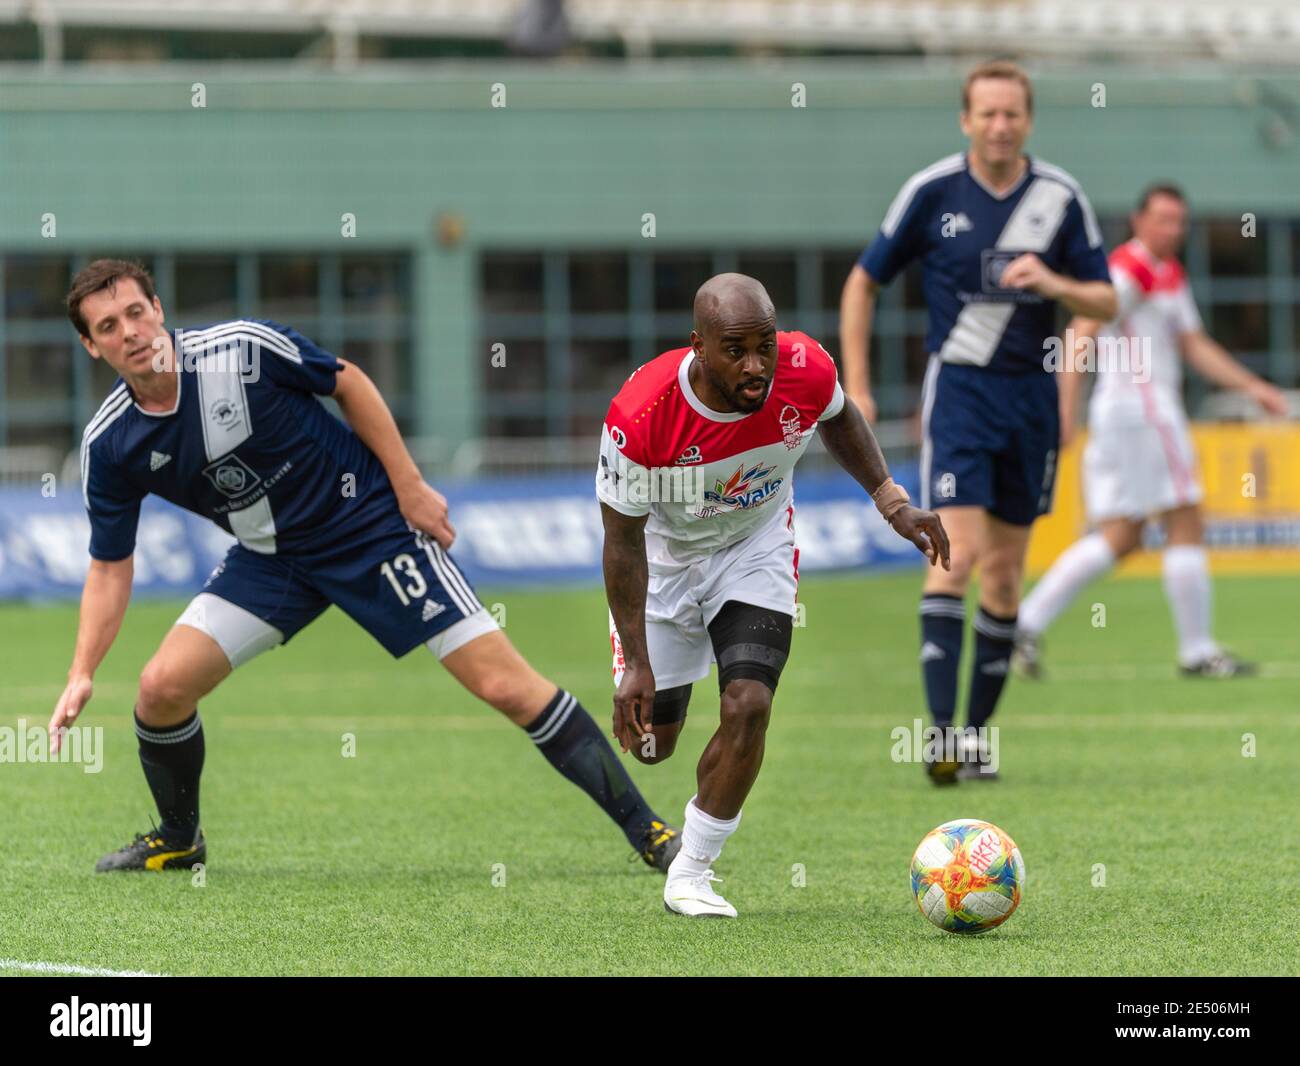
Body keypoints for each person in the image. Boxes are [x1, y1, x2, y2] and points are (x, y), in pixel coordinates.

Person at [50, 259, 682, 873]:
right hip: (271, 561)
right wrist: (82, 671)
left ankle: (648, 830)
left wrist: (407, 485)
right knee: (160, 691)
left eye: (136, 312)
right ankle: (180, 841)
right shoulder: (111, 443)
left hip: (370, 530)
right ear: (91, 346)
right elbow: (110, 565)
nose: (129, 332)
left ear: (158, 310)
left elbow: (346, 380)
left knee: (505, 686)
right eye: (108, 326)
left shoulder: (241, 350)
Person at [598, 273, 949, 917]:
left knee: (749, 702)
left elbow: (839, 418)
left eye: (766, 344)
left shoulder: (804, 366)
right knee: (652, 747)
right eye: (736, 350)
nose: (757, 365)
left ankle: (692, 871)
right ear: (697, 345)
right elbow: (621, 544)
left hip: (753, 549)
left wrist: (890, 498)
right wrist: (639, 662)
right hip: (664, 563)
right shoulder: (639, 417)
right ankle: (669, 702)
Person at [839, 60, 1117, 783]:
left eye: (1012, 114)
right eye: (986, 113)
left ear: (1028, 120)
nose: (999, 125)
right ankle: (938, 738)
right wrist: (859, 388)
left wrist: (1053, 282)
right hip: (959, 393)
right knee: (955, 558)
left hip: (1030, 401)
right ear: (966, 120)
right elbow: (863, 281)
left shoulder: (1060, 198)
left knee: (1004, 577)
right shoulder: (932, 192)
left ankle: (973, 739)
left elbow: (1106, 303)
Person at [1015, 184, 1289, 677]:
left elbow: (1193, 344)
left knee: (1122, 536)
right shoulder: (1131, 269)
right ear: (1139, 221)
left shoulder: (1167, 273)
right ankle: (1198, 651)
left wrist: (1252, 386)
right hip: (1146, 413)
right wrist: (1063, 409)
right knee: (1185, 518)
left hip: (1121, 417)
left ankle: (1023, 624)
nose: (1172, 229)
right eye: (1162, 219)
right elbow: (1080, 330)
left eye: (1179, 221)